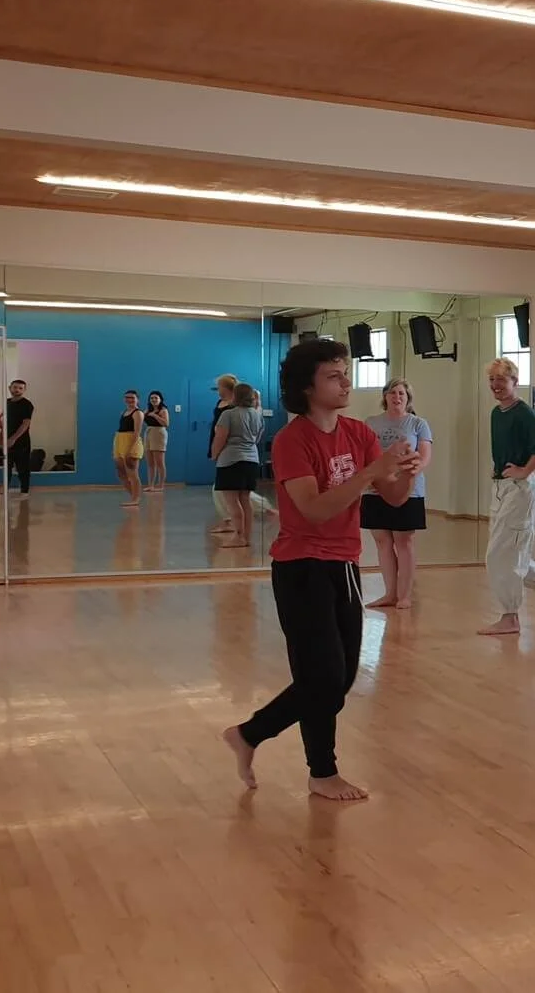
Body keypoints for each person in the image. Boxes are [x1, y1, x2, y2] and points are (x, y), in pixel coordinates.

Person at [221, 338, 419, 802]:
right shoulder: (292, 440)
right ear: (307, 387)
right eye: (334, 376)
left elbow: (394, 499)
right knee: (323, 676)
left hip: (344, 565)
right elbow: (313, 509)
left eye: (345, 373)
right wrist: (370, 473)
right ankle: (320, 771)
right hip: (301, 566)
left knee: (339, 678)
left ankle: (250, 735)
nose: (345, 382)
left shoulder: (358, 433)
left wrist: (405, 470)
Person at [479, 356, 535, 636]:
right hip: (502, 489)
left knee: (499, 555)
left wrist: (524, 470)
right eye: (492, 380)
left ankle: (510, 617)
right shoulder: (497, 413)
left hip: (520, 492)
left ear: (514, 381)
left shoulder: (522, 412)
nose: (495, 385)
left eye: (501, 380)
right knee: (510, 552)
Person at [364, 379, 433, 609]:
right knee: (382, 540)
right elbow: (365, 454)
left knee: (404, 540)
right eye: (392, 393)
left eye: (401, 393)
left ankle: (404, 595)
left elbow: (423, 458)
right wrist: (375, 477)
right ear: (385, 397)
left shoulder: (418, 424)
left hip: (408, 491)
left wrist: (403, 478)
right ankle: (389, 594)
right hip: (375, 489)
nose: (397, 397)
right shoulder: (371, 423)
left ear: (408, 398)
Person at [211, 383, 265, 549]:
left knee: (232, 501)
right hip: (251, 460)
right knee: (245, 500)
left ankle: (238, 536)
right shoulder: (257, 415)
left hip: (231, 460)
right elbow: (257, 438)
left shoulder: (228, 414)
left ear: (235, 396)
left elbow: (220, 437)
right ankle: (246, 537)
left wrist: (214, 454)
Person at [113, 390, 145, 507]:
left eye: (132, 397)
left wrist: (130, 449)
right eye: (127, 397)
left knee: (132, 472)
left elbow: (137, 432)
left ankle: (136, 498)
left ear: (137, 399)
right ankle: (133, 495)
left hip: (131, 442)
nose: (129, 400)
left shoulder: (138, 413)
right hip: (120, 441)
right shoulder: (124, 412)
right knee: (121, 472)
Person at [5, 379, 32, 500]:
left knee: (23, 467)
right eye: (15, 387)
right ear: (10, 388)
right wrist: (2, 437)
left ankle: (24, 492)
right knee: (7, 466)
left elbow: (25, 424)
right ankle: (5, 490)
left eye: (20, 388)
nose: (17, 390)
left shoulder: (27, 404)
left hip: (22, 442)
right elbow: (4, 421)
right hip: (7, 440)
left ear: (24, 390)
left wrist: (13, 439)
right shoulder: (7, 402)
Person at [142, 390, 171, 492]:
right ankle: (151, 485)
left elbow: (166, 424)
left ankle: (161, 485)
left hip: (159, 433)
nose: (153, 400)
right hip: (149, 433)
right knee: (150, 462)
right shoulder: (147, 410)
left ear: (160, 399)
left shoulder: (163, 410)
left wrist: (155, 415)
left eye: (156, 398)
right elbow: (141, 418)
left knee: (159, 462)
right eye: (152, 398)